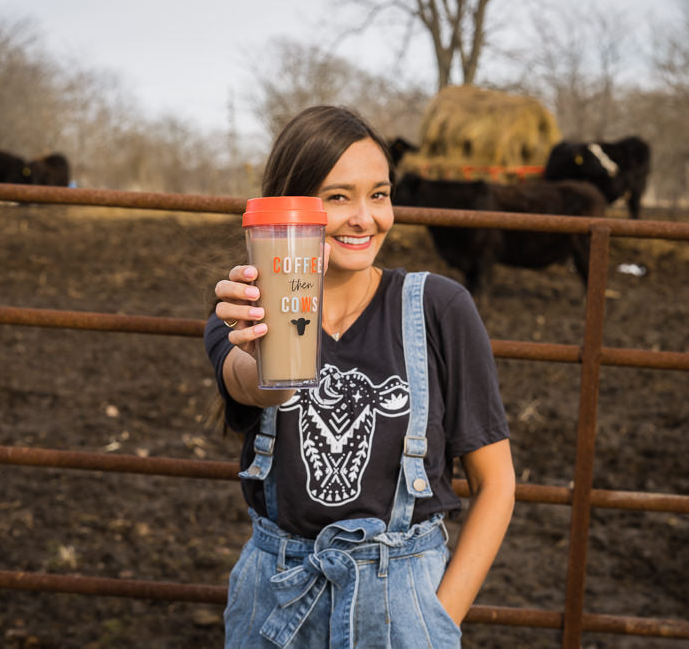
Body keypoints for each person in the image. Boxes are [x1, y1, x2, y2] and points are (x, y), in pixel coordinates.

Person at [204, 105, 516, 648]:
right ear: (291, 208)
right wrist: (266, 348)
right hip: (276, 599)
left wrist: (439, 618)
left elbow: (496, 483)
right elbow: (251, 383)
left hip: (404, 603)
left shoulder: (439, 308)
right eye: (337, 197)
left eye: (379, 194)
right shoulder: (242, 314)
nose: (364, 218)